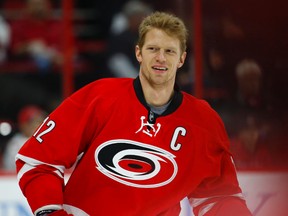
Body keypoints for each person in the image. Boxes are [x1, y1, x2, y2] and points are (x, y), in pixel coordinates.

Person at [16, 12, 252, 216]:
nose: (161, 57)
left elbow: (219, 197)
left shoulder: (204, 122)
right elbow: (38, 161)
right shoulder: (100, 97)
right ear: (138, 53)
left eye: (170, 51)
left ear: (182, 59)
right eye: (153, 49)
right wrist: (51, 211)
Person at [106, 0, 153, 78]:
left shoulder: (144, 37)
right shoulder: (120, 38)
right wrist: (137, 80)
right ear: (130, 18)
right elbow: (117, 62)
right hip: (125, 80)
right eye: (139, 17)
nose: (142, 20)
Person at [3, 105, 46, 171]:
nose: (40, 125)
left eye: (41, 121)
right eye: (36, 122)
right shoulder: (16, 143)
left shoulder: (46, 140)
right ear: (24, 125)